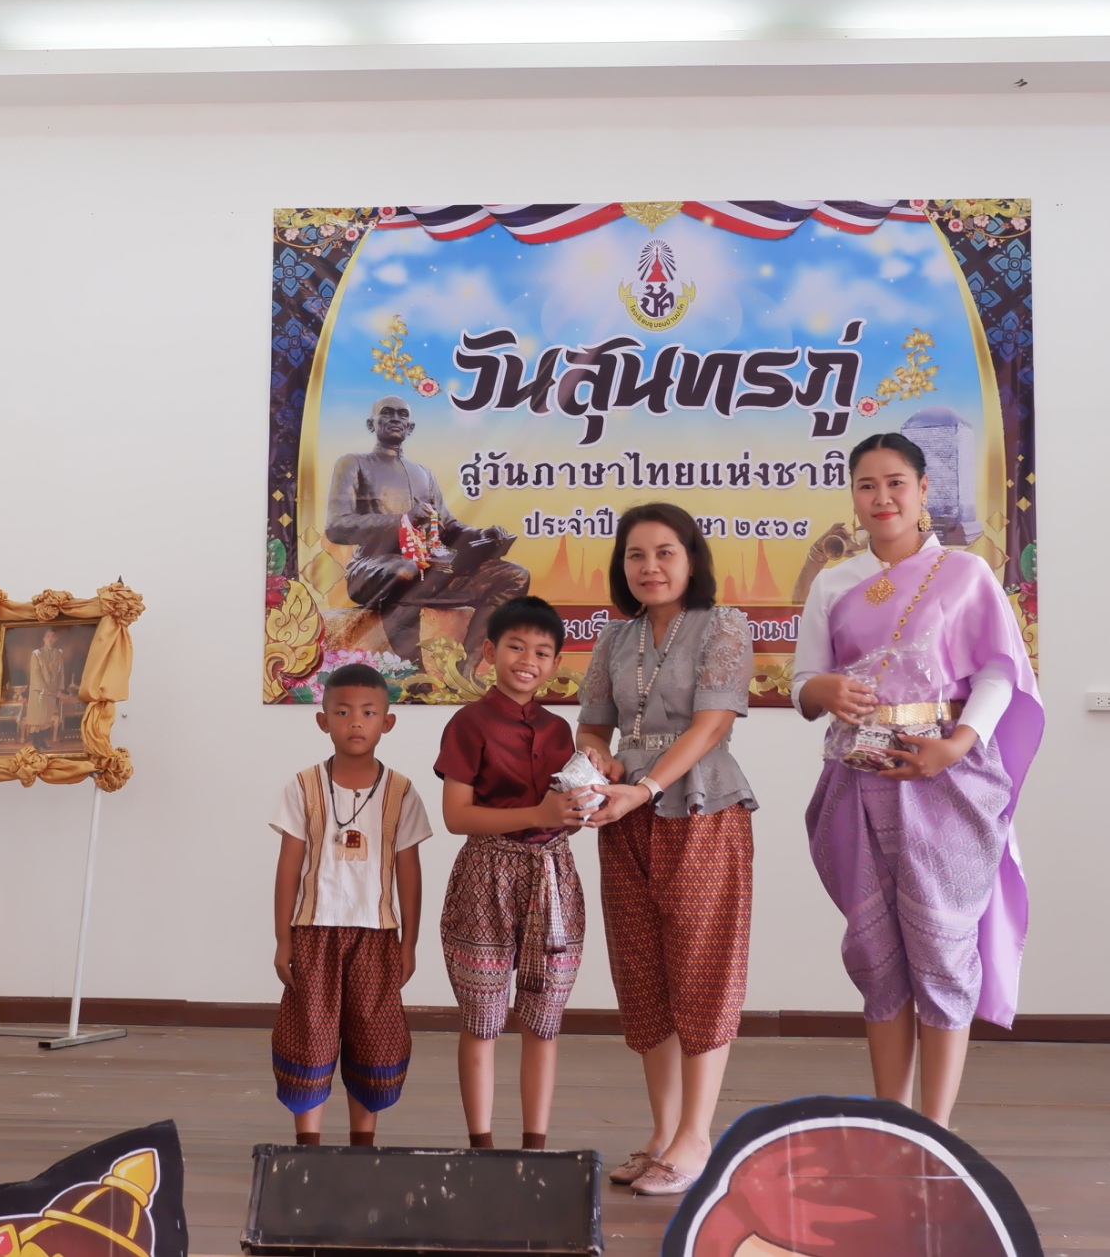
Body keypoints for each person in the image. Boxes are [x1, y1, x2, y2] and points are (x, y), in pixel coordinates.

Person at [792, 433, 1043, 1129]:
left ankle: (935, 1133)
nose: (882, 498)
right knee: (876, 955)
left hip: (946, 778)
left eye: (896, 482)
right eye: (867, 485)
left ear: (924, 488)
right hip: (857, 775)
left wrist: (956, 746)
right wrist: (823, 690)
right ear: (853, 495)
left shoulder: (965, 573)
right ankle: (892, 1125)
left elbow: (999, 671)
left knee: (942, 949)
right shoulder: (833, 582)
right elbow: (802, 683)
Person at [575, 503, 757, 1197]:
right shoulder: (614, 637)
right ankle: (663, 1132)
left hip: (702, 809)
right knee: (642, 972)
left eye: (664, 552)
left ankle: (696, 1137)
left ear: (691, 559)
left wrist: (645, 785)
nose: (649, 566)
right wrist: (598, 764)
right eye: (635, 554)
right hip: (625, 816)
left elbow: (711, 725)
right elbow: (592, 726)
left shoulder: (723, 624)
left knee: (702, 970)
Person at [434, 596, 594, 1150]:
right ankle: (482, 1147)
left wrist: (580, 810)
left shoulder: (560, 732)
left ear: (556, 664)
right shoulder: (468, 723)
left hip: (554, 875)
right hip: (486, 874)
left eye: (542, 652)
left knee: (544, 1019)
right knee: (483, 1018)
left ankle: (535, 1149)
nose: (528, 660)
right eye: (516, 647)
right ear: (489, 651)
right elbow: (457, 817)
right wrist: (538, 814)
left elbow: (562, 816)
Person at [270, 664, 433, 1145]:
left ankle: (363, 1146)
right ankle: (307, 1148)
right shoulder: (303, 786)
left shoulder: (401, 792)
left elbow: (409, 872)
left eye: (368, 712)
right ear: (323, 721)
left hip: (377, 937)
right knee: (310, 1036)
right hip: (313, 932)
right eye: (342, 712)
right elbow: (288, 867)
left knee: (373, 1037)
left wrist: (409, 943)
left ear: (387, 722)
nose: (355, 722)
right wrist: (282, 939)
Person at [326, 395, 530, 672]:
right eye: (387, 413)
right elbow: (337, 526)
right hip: (376, 569)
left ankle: (466, 669)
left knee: (515, 575)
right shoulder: (353, 464)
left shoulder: (424, 474)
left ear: (410, 427)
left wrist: (484, 535)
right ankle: (413, 673)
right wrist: (402, 520)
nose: (395, 418)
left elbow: (449, 527)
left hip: (428, 571)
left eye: (402, 415)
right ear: (371, 423)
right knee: (405, 568)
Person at [24, 628, 69, 747]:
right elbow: (36, 673)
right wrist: (43, 688)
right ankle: (35, 742)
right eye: (48, 636)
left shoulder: (58, 653)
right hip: (39, 691)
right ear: (44, 639)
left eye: (53, 637)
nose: (50, 639)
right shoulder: (37, 653)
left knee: (47, 716)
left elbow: (61, 672)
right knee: (37, 716)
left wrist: (59, 689)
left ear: (56, 639)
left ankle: (42, 741)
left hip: (52, 690)